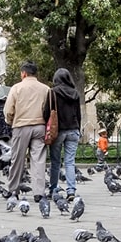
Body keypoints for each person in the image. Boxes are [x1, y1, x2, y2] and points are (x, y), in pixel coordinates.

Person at [3, 62, 50, 198]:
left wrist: (10, 121)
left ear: (23, 73)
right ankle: (39, 192)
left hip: (21, 126)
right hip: (40, 126)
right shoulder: (45, 89)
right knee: (38, 160)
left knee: (17, 159)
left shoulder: (16, 88)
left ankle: (13, 189)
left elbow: (8, 109)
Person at [44, 67, 82, 199]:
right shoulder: (75, 93)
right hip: (73, 130)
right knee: (70, 162)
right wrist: (78, 129)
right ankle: (71, 190)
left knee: (55, 162)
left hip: (58, 131)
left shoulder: (52, 92)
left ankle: (54, 189)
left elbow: (46, 112)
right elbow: (78, 114)